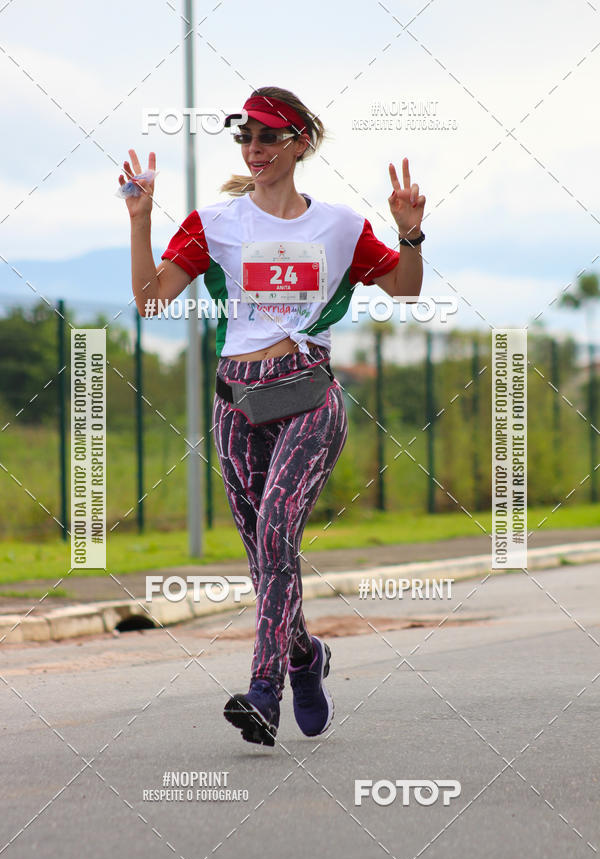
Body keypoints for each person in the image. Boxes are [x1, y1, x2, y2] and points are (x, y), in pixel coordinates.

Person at [121, 85, 425, 748]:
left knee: (278, 535)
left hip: (308, 398)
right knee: (265, 560)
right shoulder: (216, 223)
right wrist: (141, 220)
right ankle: (304, 657)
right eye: (245, 138)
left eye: (267, 137)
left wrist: (410, 234)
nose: (254, 149)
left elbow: (406, 287)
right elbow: (151, 301)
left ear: (300, 144)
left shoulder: (340, 226)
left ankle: (263, 691)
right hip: (236, 404)